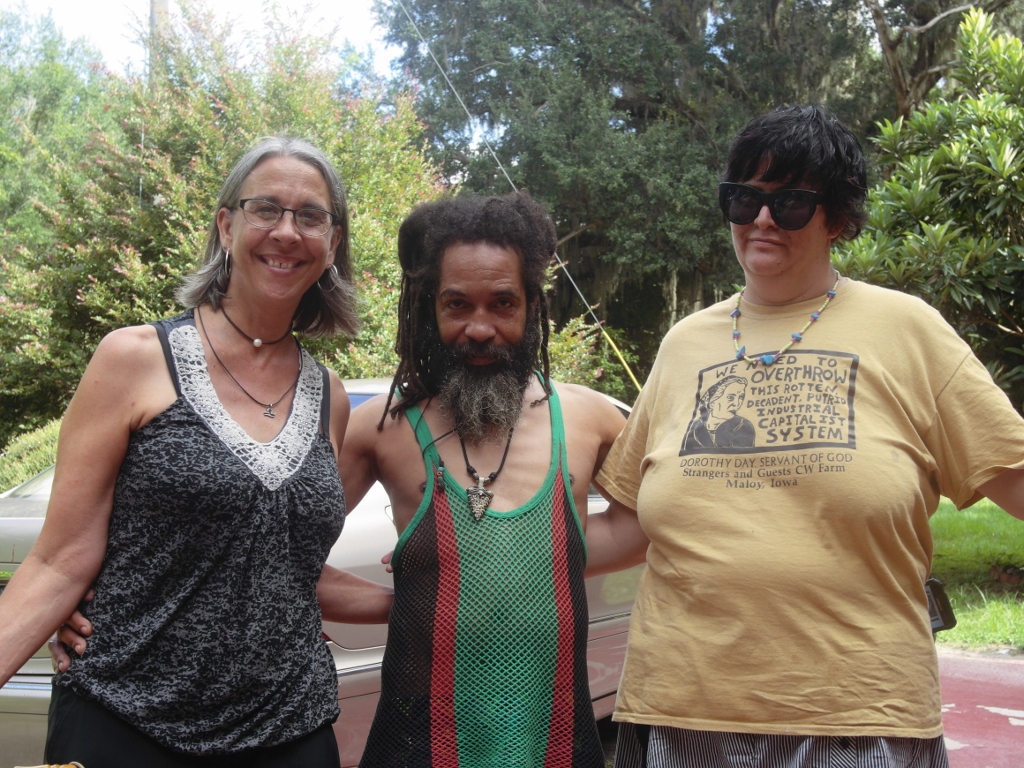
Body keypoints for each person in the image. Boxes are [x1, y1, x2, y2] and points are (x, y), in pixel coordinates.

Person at [586, 105, 1024, 767]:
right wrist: (483, 551)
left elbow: (1014, 478)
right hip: (681, 713)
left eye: (790, 203)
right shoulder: (684, 344)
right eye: (744, 199)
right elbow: (628, 527)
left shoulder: (908, 328)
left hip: (860, 720)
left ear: (837, 219)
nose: (762, 219)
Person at [0, 136, 393, 767]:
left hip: (290, 731)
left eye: (310, 216)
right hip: (124, 721)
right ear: (227, 226)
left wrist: (422, 599)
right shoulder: (135, 359)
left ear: (332, 243)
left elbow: (289, 569)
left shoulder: (331, 397)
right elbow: (58, 561)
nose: (286, 231)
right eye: (266, 209)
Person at [338, 192, 628, 767]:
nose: (479, 328)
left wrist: (526, 566)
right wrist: (406, 599)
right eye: (456, 305)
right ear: (428, 308)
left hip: (555, 743)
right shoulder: (380, 428)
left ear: (532, 307)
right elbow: (280, 556)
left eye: (502, 304)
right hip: (418, 745)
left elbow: (660, 519)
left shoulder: (590, 418)